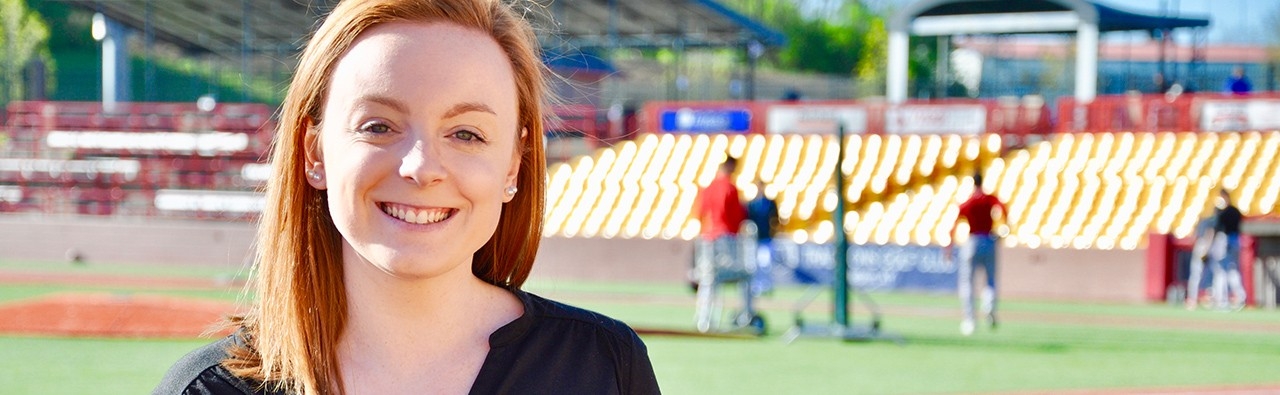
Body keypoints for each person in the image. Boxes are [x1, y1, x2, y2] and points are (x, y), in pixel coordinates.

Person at [153, 1, 659, 394]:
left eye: (466, 134)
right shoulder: (210, 390)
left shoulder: (603, 365)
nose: (420, 167)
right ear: (315, 152)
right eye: (378, 126)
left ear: (513, 164)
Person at [949, 172, 1007, 336]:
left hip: (972, 241)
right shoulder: (989, 199)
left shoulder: (969, 202)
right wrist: (1006, 226)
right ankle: (989, 306)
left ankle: (970, 321)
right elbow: (1003, 208)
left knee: (968, 282)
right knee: (990, 279)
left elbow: (954, 222)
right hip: (989, 239)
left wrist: (949, 246)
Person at [1208, 188, 1246, 311]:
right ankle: (1240, 297)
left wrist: (1209, 246)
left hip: (1224, 240)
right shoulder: (1236, 211)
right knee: (1232, 269)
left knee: (1221, 271)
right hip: (1235, 240)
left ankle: (1222, 300)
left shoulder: (1223, 212)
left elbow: (1216, 228)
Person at [745, 179, 779, 296]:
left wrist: (773, 231)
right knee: (754, 264)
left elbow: (775, 219)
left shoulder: (769, 203)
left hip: (766, 238)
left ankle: (766, 286)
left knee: (765, 264)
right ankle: (756, 286)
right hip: (754, 239)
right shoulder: (751, 204)